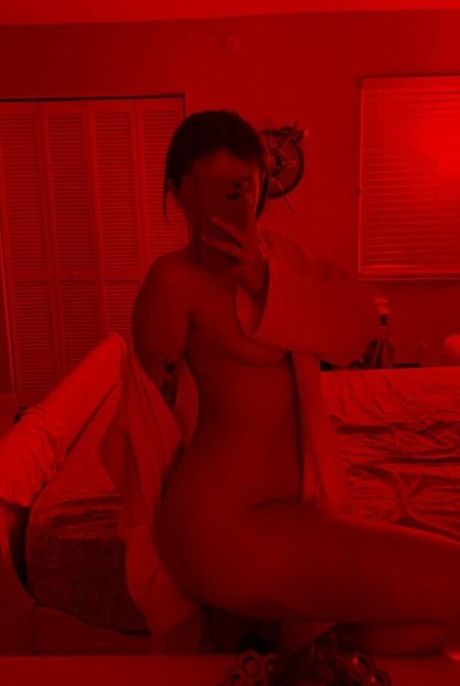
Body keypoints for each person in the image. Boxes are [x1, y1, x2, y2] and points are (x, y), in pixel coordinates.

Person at [130, 109, 460, 658]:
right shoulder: (173, 281)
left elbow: (358, 322)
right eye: (210, 186)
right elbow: (149, 418)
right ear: (178, 192)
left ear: (261, 186)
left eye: (243, 185)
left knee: (442, 601)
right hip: (220, 525)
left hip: (287, 511)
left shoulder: (280, 258)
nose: (231, 199)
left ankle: (303, 662)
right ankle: (305, 660)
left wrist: (263, 280)